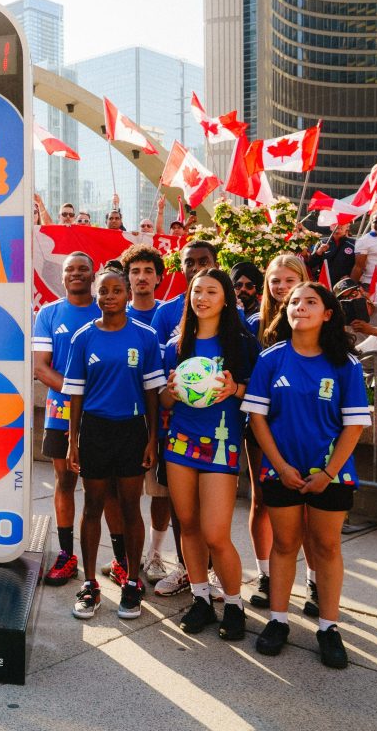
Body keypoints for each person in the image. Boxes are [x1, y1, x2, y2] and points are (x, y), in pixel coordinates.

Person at [243, 282, 369, 668]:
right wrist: (279, 466)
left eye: (310, 301)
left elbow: (354, 426)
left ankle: (329, 627)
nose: (300, 306)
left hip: (331, 476)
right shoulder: (271, 359)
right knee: (284, 544)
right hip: (281, 473)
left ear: (327, 313)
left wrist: (329, 472)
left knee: (327, 547)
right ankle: (278, 620)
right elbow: (257, 418)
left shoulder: (346, 365)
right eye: (294, 301)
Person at [161, 269, 259, 639]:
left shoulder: (240, 341)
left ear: (225, 299)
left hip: (221, 444)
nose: (202, 297)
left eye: (211, 292)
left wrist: (235, 388)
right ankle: (200, 599)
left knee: (216, 533)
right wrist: (170, 391)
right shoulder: (176, 344)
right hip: (181, 443)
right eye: (196, 291)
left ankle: (233, 604)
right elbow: (164, 398)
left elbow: (257, 393)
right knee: (188, 525)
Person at [63, 269, 165, 619]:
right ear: (96, 294)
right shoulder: (83, 337)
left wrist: (152, 438)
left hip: (132, 432)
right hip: (94, 430)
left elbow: (152, 393)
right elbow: (76, 394)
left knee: (130, 507)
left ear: (126, 295)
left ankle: (133, 583)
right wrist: (73, 439)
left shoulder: (146, 337)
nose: (109, 296)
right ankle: (89, 584)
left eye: (116, 290)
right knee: (92, 506)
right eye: (103, 290)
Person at [34, 253, 132, 587]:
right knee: (64, 482)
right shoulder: (48, 314)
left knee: (109, 491)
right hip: (62, 414)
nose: (76, 274)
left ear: (94, 275)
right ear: (62, 277)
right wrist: (80, 394)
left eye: (83, 269)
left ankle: (122, 561)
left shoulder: (109, 306)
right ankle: (66, 555)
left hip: (105, 417)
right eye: (69, 270)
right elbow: (41, 368)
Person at [149, 240, 221, 597]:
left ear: (216, 263)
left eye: (202, 261)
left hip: (220, 434)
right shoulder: (167, 314)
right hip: (175, 429)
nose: (195, 267)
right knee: (183, 510)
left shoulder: (231, 317)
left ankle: (215, 572)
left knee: (214, 512)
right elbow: (165, 375)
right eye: (188, 263)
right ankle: (186, 570)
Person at [245, 254, 316, 612]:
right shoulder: (254, 324)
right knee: (263, 501)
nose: (282, 287)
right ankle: (266, 575)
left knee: (308, 508)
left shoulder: (316, 319)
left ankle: (315, 582)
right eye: (276, 280)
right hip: (263, 428)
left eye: (290, 280)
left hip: (310, 429)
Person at [119, 244, 170, 583]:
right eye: (135, 271)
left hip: (165, 420)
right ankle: (128, 557)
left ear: (159, 277)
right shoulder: (113, 314)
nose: (141, 277)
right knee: (126, 492)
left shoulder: (172, 315)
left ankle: (154, 555)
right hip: (125, 419)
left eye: (148, 271)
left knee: (161, 494)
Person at [350, 209, 377, 295]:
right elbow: (358, 267)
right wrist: (351, 288)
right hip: (370, 286)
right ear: (371, 223)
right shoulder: (363, 241)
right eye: (376, 221)